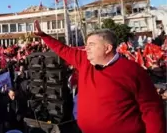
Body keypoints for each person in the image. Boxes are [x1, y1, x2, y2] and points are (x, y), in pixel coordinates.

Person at [33, 20, 167, 133]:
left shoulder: (132, 70)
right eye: (86, 45)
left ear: (107, 48)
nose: (86, 49)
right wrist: (43, 36)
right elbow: (63, 50)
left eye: (91, 45)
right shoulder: (84, 61)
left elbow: (151, 109)